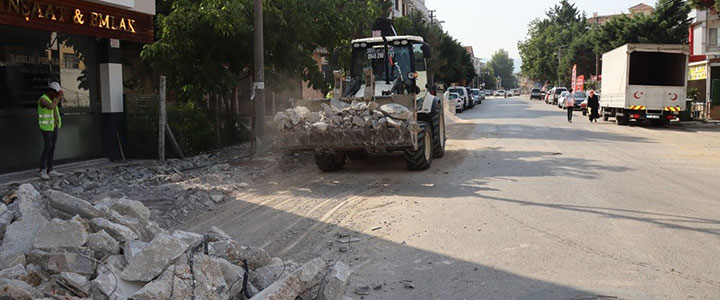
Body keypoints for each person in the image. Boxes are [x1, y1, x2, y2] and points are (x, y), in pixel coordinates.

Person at [38, 82, 64, 180]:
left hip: (53, 126)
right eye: (55, 93)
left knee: (52, 148)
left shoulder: (53, 99)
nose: (57, 95)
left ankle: (50, 169)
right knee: (47, 147)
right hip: (46, 127)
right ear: (50, 91)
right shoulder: (43, 99)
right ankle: (42, 169)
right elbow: (51, 106)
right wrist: (58, 97)